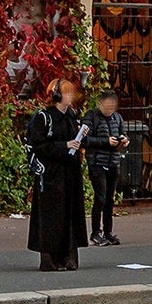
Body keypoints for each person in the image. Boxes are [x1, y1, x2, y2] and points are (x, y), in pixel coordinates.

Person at [26, 79, 88, 271]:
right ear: (57, 96)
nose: (71, 97)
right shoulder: (43, 117)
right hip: (51, 174)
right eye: (67, 93)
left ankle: (69, 257)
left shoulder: (71, 115)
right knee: (52, 215)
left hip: (70, 172)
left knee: (70, 212)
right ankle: (51, 259)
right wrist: (65, 146)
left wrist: (80, 140)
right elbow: (39, 146)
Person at [81, 90, 128, 246]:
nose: (109, 110)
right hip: (97, 162)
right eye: (107, 107)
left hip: (113, 161)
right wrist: (105, 141)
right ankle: (96, 232)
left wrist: (124, 140)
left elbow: (122, 132)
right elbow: (85, 140)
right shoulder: (91, 117)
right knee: (100, 197)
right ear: (99, 104)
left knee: (109, 198)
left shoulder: (117, 118)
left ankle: (108, 231)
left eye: (112, 107)